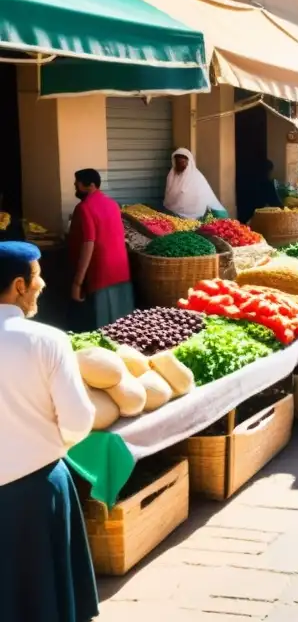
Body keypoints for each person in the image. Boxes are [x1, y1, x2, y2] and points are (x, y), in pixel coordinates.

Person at [0, 241, 98, 621]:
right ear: (19, 285)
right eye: (37, 276)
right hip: (38, 492)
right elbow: (77, 422)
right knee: (46, 601)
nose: (42, 284)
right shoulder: (48, 341)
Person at [67, 169, 134, 332]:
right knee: (122, 326)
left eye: (78, 184)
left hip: (100, 273)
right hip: (120, 271)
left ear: (90, 185)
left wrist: (78, 281)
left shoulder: (85, 208)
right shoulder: (112, 204)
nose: (75, 186)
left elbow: (89, 243)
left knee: (102, 326)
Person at [164, 148, 226, 219]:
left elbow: (201, 198)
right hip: (173, 213)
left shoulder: (197, 177)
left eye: (183, 161)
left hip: (195, 214)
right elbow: (169, 194)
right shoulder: (171, 175)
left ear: (189, 162)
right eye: (178, 161)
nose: (180, 162)